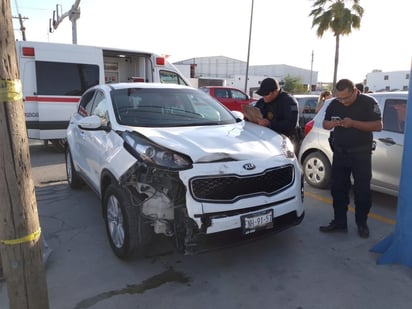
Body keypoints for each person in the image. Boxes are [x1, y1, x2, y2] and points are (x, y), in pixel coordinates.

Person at [319, 79, 382, 238]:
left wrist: (353, 123)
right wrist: (332, 123)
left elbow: (378, 126)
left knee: (362, 191)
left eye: (346, 98)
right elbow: (325, 124)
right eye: (339, 98)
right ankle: (340, 222)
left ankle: (362, 224)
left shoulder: (368, 102)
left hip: (361, 154)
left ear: (354, 91)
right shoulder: (334, 103)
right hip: (340, 153)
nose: (343, 101)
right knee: (338, 189)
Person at [252, 78, 300, 147]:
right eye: (262, 94)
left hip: (286, 142)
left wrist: (269, 124)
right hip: (266, 141)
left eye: (266, 94)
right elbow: (255, 112)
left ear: (275, 91)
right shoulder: (262, 102)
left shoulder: (289, 102)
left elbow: (291, 124)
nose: (264, 97)